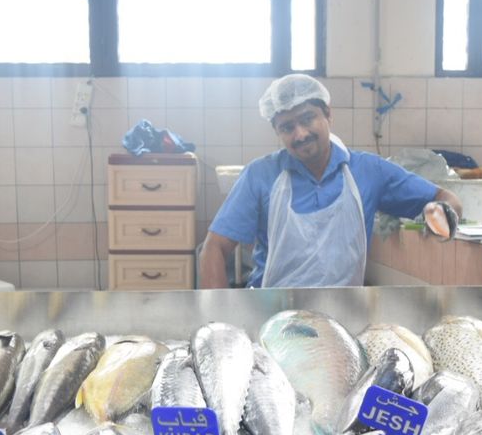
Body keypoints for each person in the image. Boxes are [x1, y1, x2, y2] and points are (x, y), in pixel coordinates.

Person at [198, 74, 462, 288]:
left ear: (327, 114)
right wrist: (220, 323)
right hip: (272, 316)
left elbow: (446, 199)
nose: (300, 134)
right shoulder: (260, 175)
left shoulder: (369, 171)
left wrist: (442, 215)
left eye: (307, 119)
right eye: (287, 127)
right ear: (277, 131)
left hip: (343, 316)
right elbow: (213, 248)